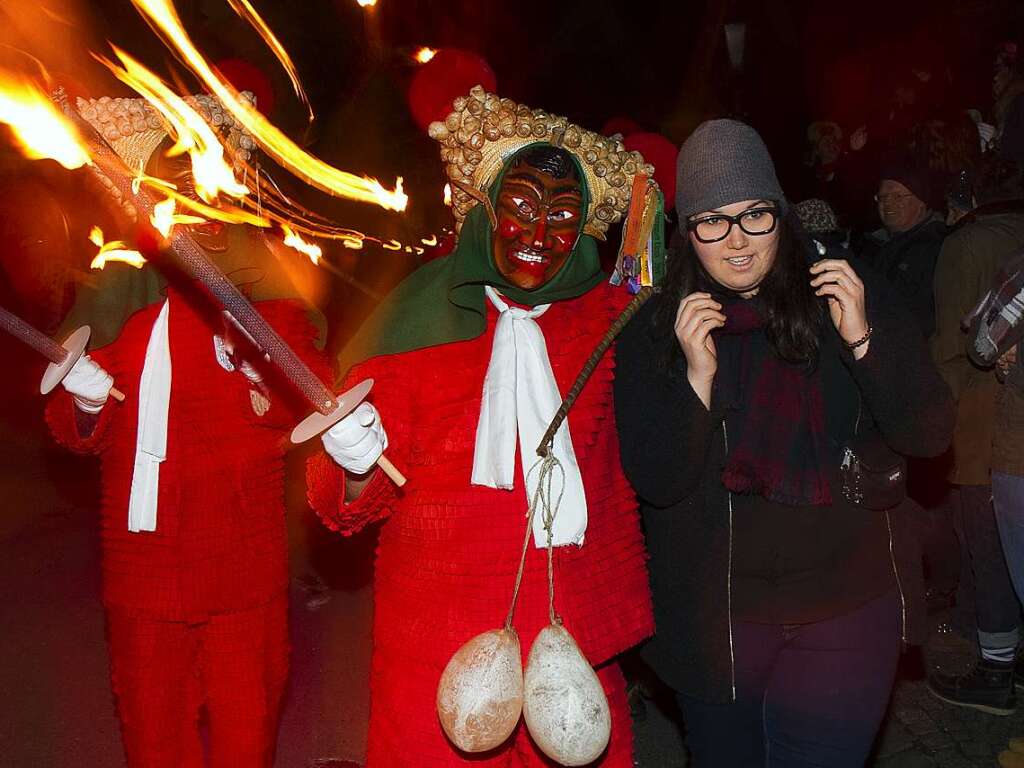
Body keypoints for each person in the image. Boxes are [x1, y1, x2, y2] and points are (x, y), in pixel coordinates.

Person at [306, 87, 655, 766]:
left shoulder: (612, 323)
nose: (538, 234)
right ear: (485, 207)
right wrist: (350, 463)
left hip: (573, 640)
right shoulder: (413, 323)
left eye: (563, 216)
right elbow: (342, 506)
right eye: (521, 207)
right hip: (434, 650)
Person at [614, 119, 953, 766]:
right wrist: (697, 378)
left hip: (849, 616)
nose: (736, 242)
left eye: (754, 216)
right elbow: (656, 481)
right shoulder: (659, 323)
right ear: (687, 230)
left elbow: (930, 434)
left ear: (781, 212)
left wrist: (863, 343)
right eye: (712, 220)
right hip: (722, 629)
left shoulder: (844, 289)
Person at [45, 93, 328, 768]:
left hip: (241, 563)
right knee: (152, 728)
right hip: (143, 567)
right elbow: (73, 422)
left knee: (245, 725)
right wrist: (85, 402)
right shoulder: (119, 294)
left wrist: (266, 382)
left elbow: (310, 391)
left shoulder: (266, 298)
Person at [927, 155, 1024, 715]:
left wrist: (934, 422)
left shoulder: (966, 245)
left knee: (985, 541)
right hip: (1003, 414)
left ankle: (995, 667)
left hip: (983, 417)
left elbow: (955, 344)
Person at [860, 162, 947, 339]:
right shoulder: (875, 243)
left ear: (922, 201)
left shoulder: (933, 247)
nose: (888, 204)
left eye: (898, 197)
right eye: (882, 198)